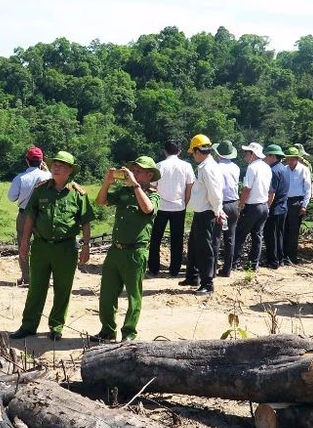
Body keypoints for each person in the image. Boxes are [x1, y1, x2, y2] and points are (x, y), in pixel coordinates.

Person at [10, 151, 94, 341]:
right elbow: (30, 217)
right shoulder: (41, 190)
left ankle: (56, 326)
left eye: (62, 166)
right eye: (55, 165)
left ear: (70, 170)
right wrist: (24, 243)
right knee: (36, 288)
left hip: (66, 248)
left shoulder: (78, 194)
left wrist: (86, 246)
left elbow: (86, 221)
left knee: (62, 289)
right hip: (41, 246)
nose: (56, 168)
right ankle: (28, 325)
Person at [92, 157, 161, 342]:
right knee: (107, 293)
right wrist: (107, 183)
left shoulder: (153, 194)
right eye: (133, 170)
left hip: (135, 252)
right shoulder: (124, 191)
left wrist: (136, 185)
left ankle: (129, 332)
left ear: (149, 175)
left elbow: (147, 209)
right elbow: (100, 201)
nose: (134, 173)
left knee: (133, 295)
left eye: (139, 171)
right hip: (116, 250)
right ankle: (107, 331)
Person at [179, 134, 224, 295]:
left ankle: (207, 283)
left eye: (193, 152)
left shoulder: (208, 168)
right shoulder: (205, 166)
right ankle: (193, 277)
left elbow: (215, 192)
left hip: (207, 213)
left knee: (205, 249)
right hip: (201, 212)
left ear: (198, 151)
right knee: (194, 246)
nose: (193, 156)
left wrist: (218, 211)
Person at [148, 139, 195, 277]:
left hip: (161, 206)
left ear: (165, 151)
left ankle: (154, 268)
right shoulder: (186, 166)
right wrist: (185, 203)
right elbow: (189, 187)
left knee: (156, 238)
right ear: (179, 151)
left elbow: (153, 187)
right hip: (179, 206)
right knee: (177, 239)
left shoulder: (159, 166)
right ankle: (174, 269)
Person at [7, 146, 50, 285]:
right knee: (44, 246)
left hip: (24, 214)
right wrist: (47, 170)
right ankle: (43, 277)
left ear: (27, 161)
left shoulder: (19, 178)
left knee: (23, 245)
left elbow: (11, 198)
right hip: (43, 215)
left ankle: (26, 277)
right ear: (42, 161)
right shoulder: (48, 176)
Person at [231, 142, 271, 271]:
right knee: (257, 236)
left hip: (252, 206)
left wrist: (241, 204)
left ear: (252, 154)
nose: (245, 155)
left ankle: (233, 263)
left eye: (246, 153)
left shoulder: (252, 168)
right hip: (263, 205)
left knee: (240, 234)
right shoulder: (267, 167)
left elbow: (247, 189)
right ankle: (253, 264)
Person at [213, 140, 241, 277]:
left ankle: (212, 268)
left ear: (218, 154)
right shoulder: (236, 167)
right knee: (230, 238)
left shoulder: (216, 167)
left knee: (216, 237)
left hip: (222, 204)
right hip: (234, 203)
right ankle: (227, 269)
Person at [281, 146, 313, 265]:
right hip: (285, 200)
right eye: (288, 159)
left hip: (297, 201)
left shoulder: (304, 169)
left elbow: (308, 189)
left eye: (292, 159)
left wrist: (304, 205)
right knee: (284, 228)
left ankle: (292, 256)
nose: (289, 161)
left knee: (294, 230)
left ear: (297, 159)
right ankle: (283, 254)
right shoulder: (285, 169)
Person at [263, 145, 288, 267]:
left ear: (272, 156)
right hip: (283, 207)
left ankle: (273, 261)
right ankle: (280, 259)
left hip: (274, 208)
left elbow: (271, 192)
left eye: (266, 155)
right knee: (279, 234)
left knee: (270, 235)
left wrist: (267, 207)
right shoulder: (284, 169)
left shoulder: (272, 170)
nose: (264, 158)